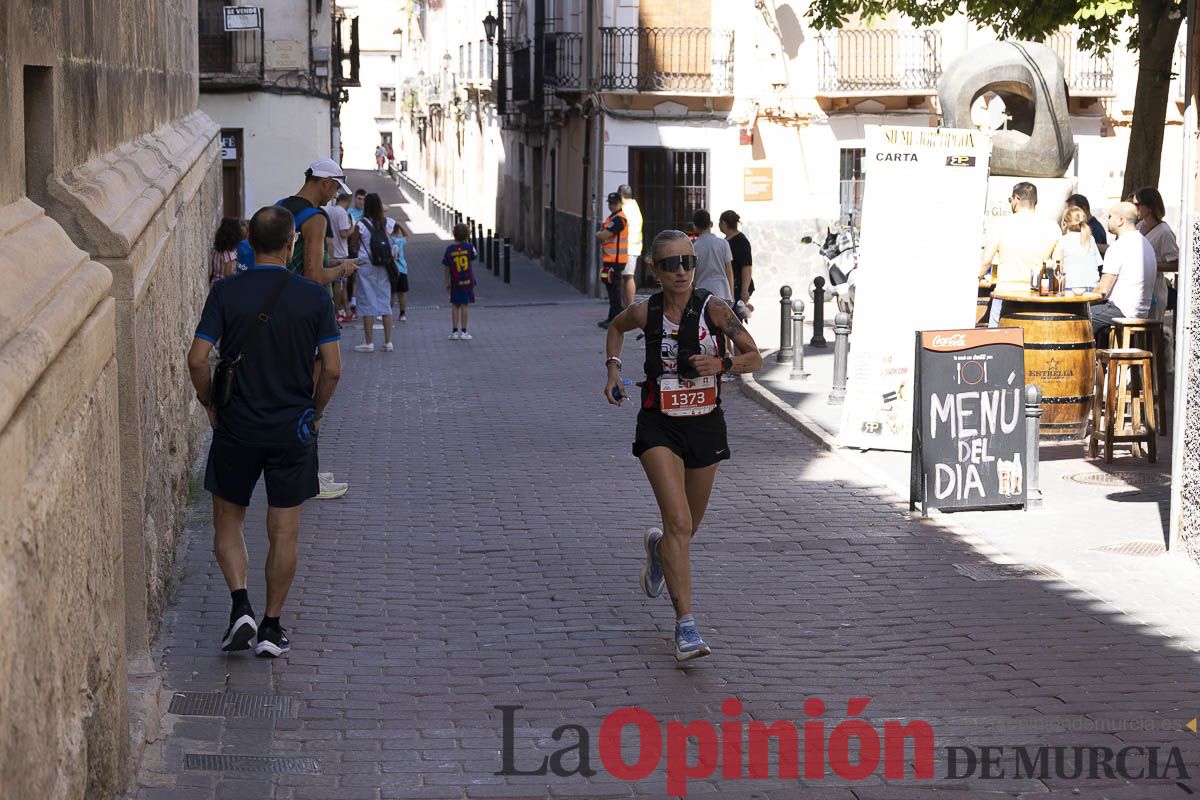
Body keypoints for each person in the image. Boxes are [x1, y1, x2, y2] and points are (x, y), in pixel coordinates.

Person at [186, 205, 343, 658]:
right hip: (291, 428)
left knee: (228, 520)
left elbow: (198, 359)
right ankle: (272, 629)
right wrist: (313, 413)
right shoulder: (315, 298)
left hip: (237, 425)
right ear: (292, 244)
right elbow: (332, 369)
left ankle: (241, 607)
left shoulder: (225, 292)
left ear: (249, 243)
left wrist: (209, 404)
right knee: (284, 530)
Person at [604, 230, 763, 661]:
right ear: (655, 270)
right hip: (658, 425)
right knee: (676, 522)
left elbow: (755, 355)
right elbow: (615, 329)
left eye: (687, 262)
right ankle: (686, 626)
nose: (681, 272)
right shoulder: (644, 311)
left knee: (686, 530)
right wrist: (614, 370)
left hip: (705, 426)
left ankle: (658, 551)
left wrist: (724, 363)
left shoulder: (714, 309)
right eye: (671, 264)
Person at [278, 159, 359, 499]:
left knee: (289, 394)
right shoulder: (315, 218)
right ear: (325, 183)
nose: (333, 197)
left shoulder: (281, 208)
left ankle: (302, 471)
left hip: (281, 310)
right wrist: (343, 268)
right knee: (314, 394)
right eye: (335, 189)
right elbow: (313, 274)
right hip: (310, 314)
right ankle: (306, 477)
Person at [979, 182, 1060, 326]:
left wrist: (973, 279)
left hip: (1006, 293)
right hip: (1036, 297)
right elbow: (1058, 267)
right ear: (1035, 201)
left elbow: (986, 261)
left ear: (1016, 199)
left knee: (998, 343)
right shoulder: (1052, 227)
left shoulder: (1001, 224)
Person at [1090, 202, 1156, 345]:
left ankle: (1084, 366)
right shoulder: (1146, 244)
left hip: (1122, 310)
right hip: (1141, 311)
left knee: (1078, 319)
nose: (1108, 220)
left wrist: (1083, 300)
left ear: (1121, 220)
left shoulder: (1119, 246)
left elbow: (1102, 289)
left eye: (1110, 216)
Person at [351, 193, 396, 353]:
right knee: (384, 300)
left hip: (366, 264)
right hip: (384, 264)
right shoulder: (387, 223)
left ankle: (368, 342)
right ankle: (388, 341)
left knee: (366, 300)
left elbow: (354, 243)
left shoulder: (361, 224)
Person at [1131, 186, 1179, 320]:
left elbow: (1175, 264)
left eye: (1138, 205)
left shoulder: (1164, 232)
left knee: (1152, 334)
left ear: (1150, 207)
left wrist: (1150, 264)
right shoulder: (1139, 226)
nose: (1134, 208)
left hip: (1155, 292)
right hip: (1139, 288)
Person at [595, 192, 628, 328]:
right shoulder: (612, 217)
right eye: (609, 203)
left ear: (620, 203)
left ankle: (617, 319)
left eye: (614, 203)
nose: (611, 205)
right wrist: (601, 235)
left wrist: (599, 235)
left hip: (616, 260)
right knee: (610, 287)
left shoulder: (619, 219)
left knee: (614, 290)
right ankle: (612, 317)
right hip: (609, 260)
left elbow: (604, 235)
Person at [1051, 206, 1102, 291]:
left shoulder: (1063, 240)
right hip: (1093, 288)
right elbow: (1098, 264)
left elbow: (1056, 266)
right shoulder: (1090, 239)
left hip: (1071, 288)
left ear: (1064, 223)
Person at [690, 209, 734, 304]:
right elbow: (729, 271)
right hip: (723, 292)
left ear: (694, 227)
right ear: (711, 224)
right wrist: (731, 294)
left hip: (702, 294)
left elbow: (692, 273)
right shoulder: (723, 243)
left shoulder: (693, 247)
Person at [443, 223, 478, 339]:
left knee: (455, 305)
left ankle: (454, 332)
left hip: (455, 281)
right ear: (467, 235)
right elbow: (474, 256)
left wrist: (446, 282)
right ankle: (464, 332)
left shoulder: (449, 249)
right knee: (464, 305)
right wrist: (467, 240)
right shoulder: (469, 247)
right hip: (467, 281)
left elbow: (447, 266)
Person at [718, 210, 754, 314]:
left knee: (734, 318)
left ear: (723, 224)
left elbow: (746, 266)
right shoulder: (726, 240)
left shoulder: (741, 241)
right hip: (730, 286)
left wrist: (744, 290)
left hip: (738, 287)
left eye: (719, 223)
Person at [327, 193, 354, 322]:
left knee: (340, 283)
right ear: (348, 201)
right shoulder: (342, 212)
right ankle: (336, 312)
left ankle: (346, 310)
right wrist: (353, 229)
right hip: (341, 253)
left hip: (332, 252)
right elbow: (344, 233)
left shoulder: (330, 210)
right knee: (339, 284)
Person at [618, 185, 643, 308]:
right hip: (631, 248)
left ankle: (629, 307)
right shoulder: (633, 207)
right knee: (625, 277)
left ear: (621, 196)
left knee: (628, 277)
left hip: (629, 249)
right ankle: (627, 306)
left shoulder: (627, 210)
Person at [210, 217, 242, 284]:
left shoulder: (216, 250)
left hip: (215, 282)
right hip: (223, 286)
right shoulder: (230, 254)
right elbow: (228, 275)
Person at [390, 219, 410, 321]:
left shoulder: (387, 241)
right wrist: (401, 224)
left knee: (391, 293)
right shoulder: (400, 241)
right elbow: (407, 235)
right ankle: (402, 314)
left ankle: (388, 312)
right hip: (402, 269)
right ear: (398, 232)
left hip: (392, 270)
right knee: (401, 294)